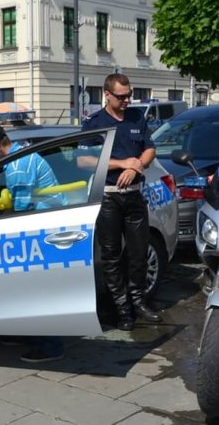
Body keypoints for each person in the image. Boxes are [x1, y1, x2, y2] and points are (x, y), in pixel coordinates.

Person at [0, 122, 65, 363]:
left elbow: (21, 213)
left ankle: (50, 346)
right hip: (42, 223)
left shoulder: (19, 166)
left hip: (43, 229)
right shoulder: (19, 156)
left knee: (37, 291)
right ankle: (29, 335)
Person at [78, 73, 161, 331]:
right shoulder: (95, 123)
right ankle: (123, 310)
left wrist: (137, 167)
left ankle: (139, 302)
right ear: (107, 94)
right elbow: (83, 161)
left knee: (138, 253)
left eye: (129, 96)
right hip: (108, 196)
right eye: (121, 96)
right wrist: (122, 163)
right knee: (112, 257)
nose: (126, 100)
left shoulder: (136, 118)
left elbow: (149, 148)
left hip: (134, 194)